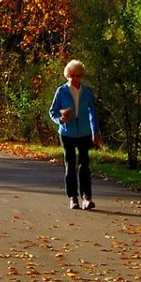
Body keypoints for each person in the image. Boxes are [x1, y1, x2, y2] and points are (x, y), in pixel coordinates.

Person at [48, 60, 100, 211]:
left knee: (84, 165)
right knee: (70, 166)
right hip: (67, 133)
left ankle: (87, 198)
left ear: (82, 76)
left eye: (78, 76)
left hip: (84, 133)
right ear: (67, 76)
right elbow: (53, 111)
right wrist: (60, 119)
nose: (75, 79)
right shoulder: (62, 91)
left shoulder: (87, 91)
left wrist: (95, 132)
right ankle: (73, 198)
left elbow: (92, 113)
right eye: (72, 76)